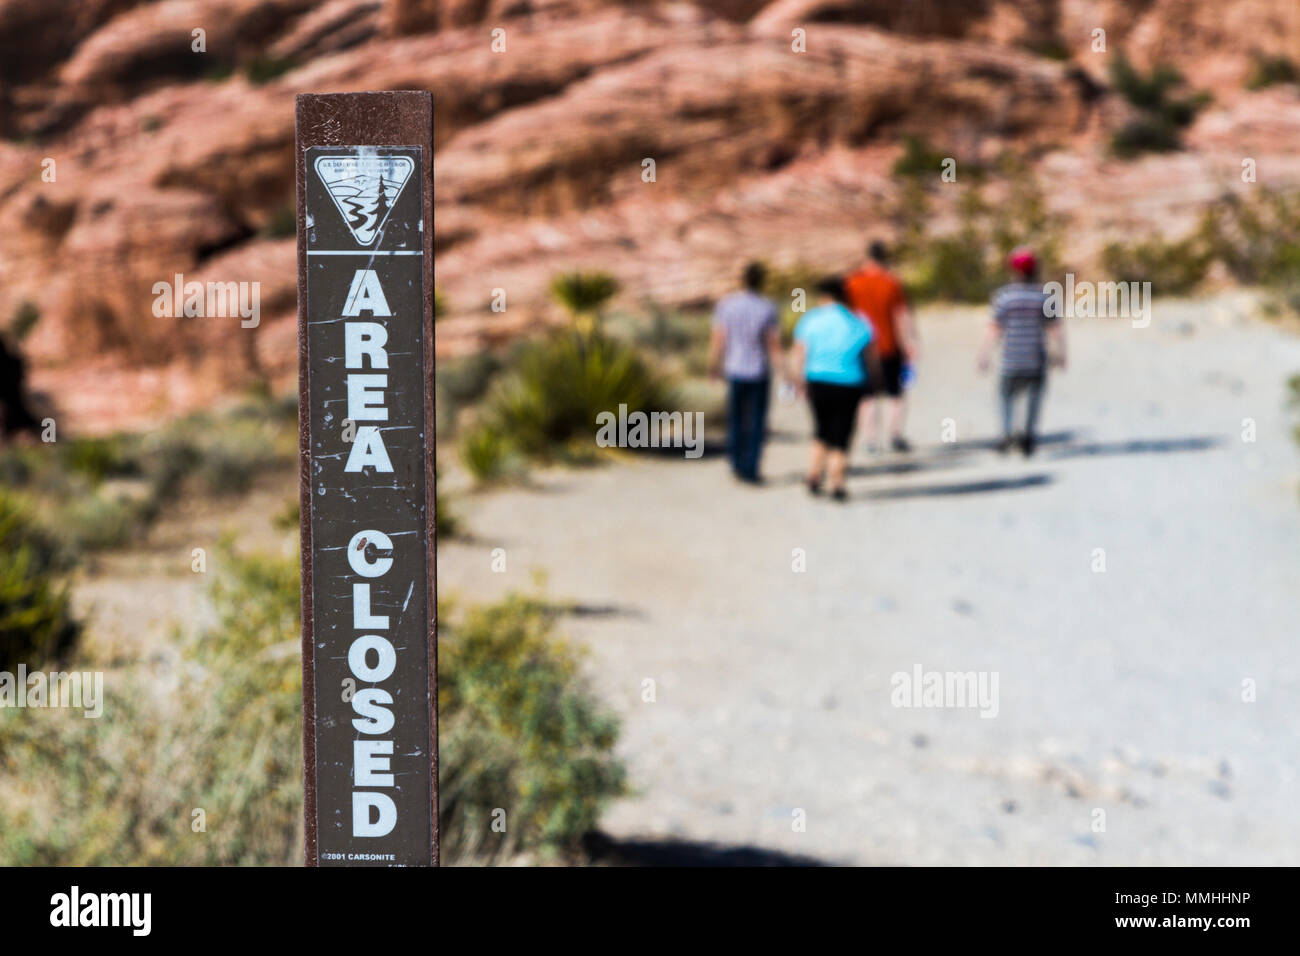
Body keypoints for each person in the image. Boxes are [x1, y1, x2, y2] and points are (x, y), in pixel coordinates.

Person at [789, 276, 878, 501]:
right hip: (849, 382)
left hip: (818, 380)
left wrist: (796, 380)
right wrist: (875, 381)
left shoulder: (811, 319)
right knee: (841, 434)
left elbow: (799, 352)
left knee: (821, 428)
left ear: (825, 297)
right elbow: (870, 357)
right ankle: (836, 482)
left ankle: (814, 473)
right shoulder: (858, 321)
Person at [976, 247, 1066, 456]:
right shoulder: (1044, 297)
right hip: (1035, 359)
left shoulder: (1003, 297)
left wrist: (984, 354)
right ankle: (1028, 435)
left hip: (1011, 359)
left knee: (1006, 397)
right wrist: (1060, 354)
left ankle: (1007, 433)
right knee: (1034, 398)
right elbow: (1054, 330)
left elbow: (993, 329)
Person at [708, 262, 782, 483]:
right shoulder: (767, 307)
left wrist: (713, 365)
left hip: (734, 368)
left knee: (736, 417)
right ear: (762, 281)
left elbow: (718, 339)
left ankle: (735, 460)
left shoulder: (727, 305)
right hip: (758, 369)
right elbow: (773, 344)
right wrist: (785, 371)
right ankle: (750, 466)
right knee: (757, 420)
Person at [845, 240, 918, 454]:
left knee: (867, 397)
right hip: (889, 346)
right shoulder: (891, 283)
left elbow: (847, 316)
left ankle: (871, 441)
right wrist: (910, 343)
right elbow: (901, 316)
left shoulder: (852, 282)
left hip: (862, 348)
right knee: (895, 394)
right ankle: (895, 435)